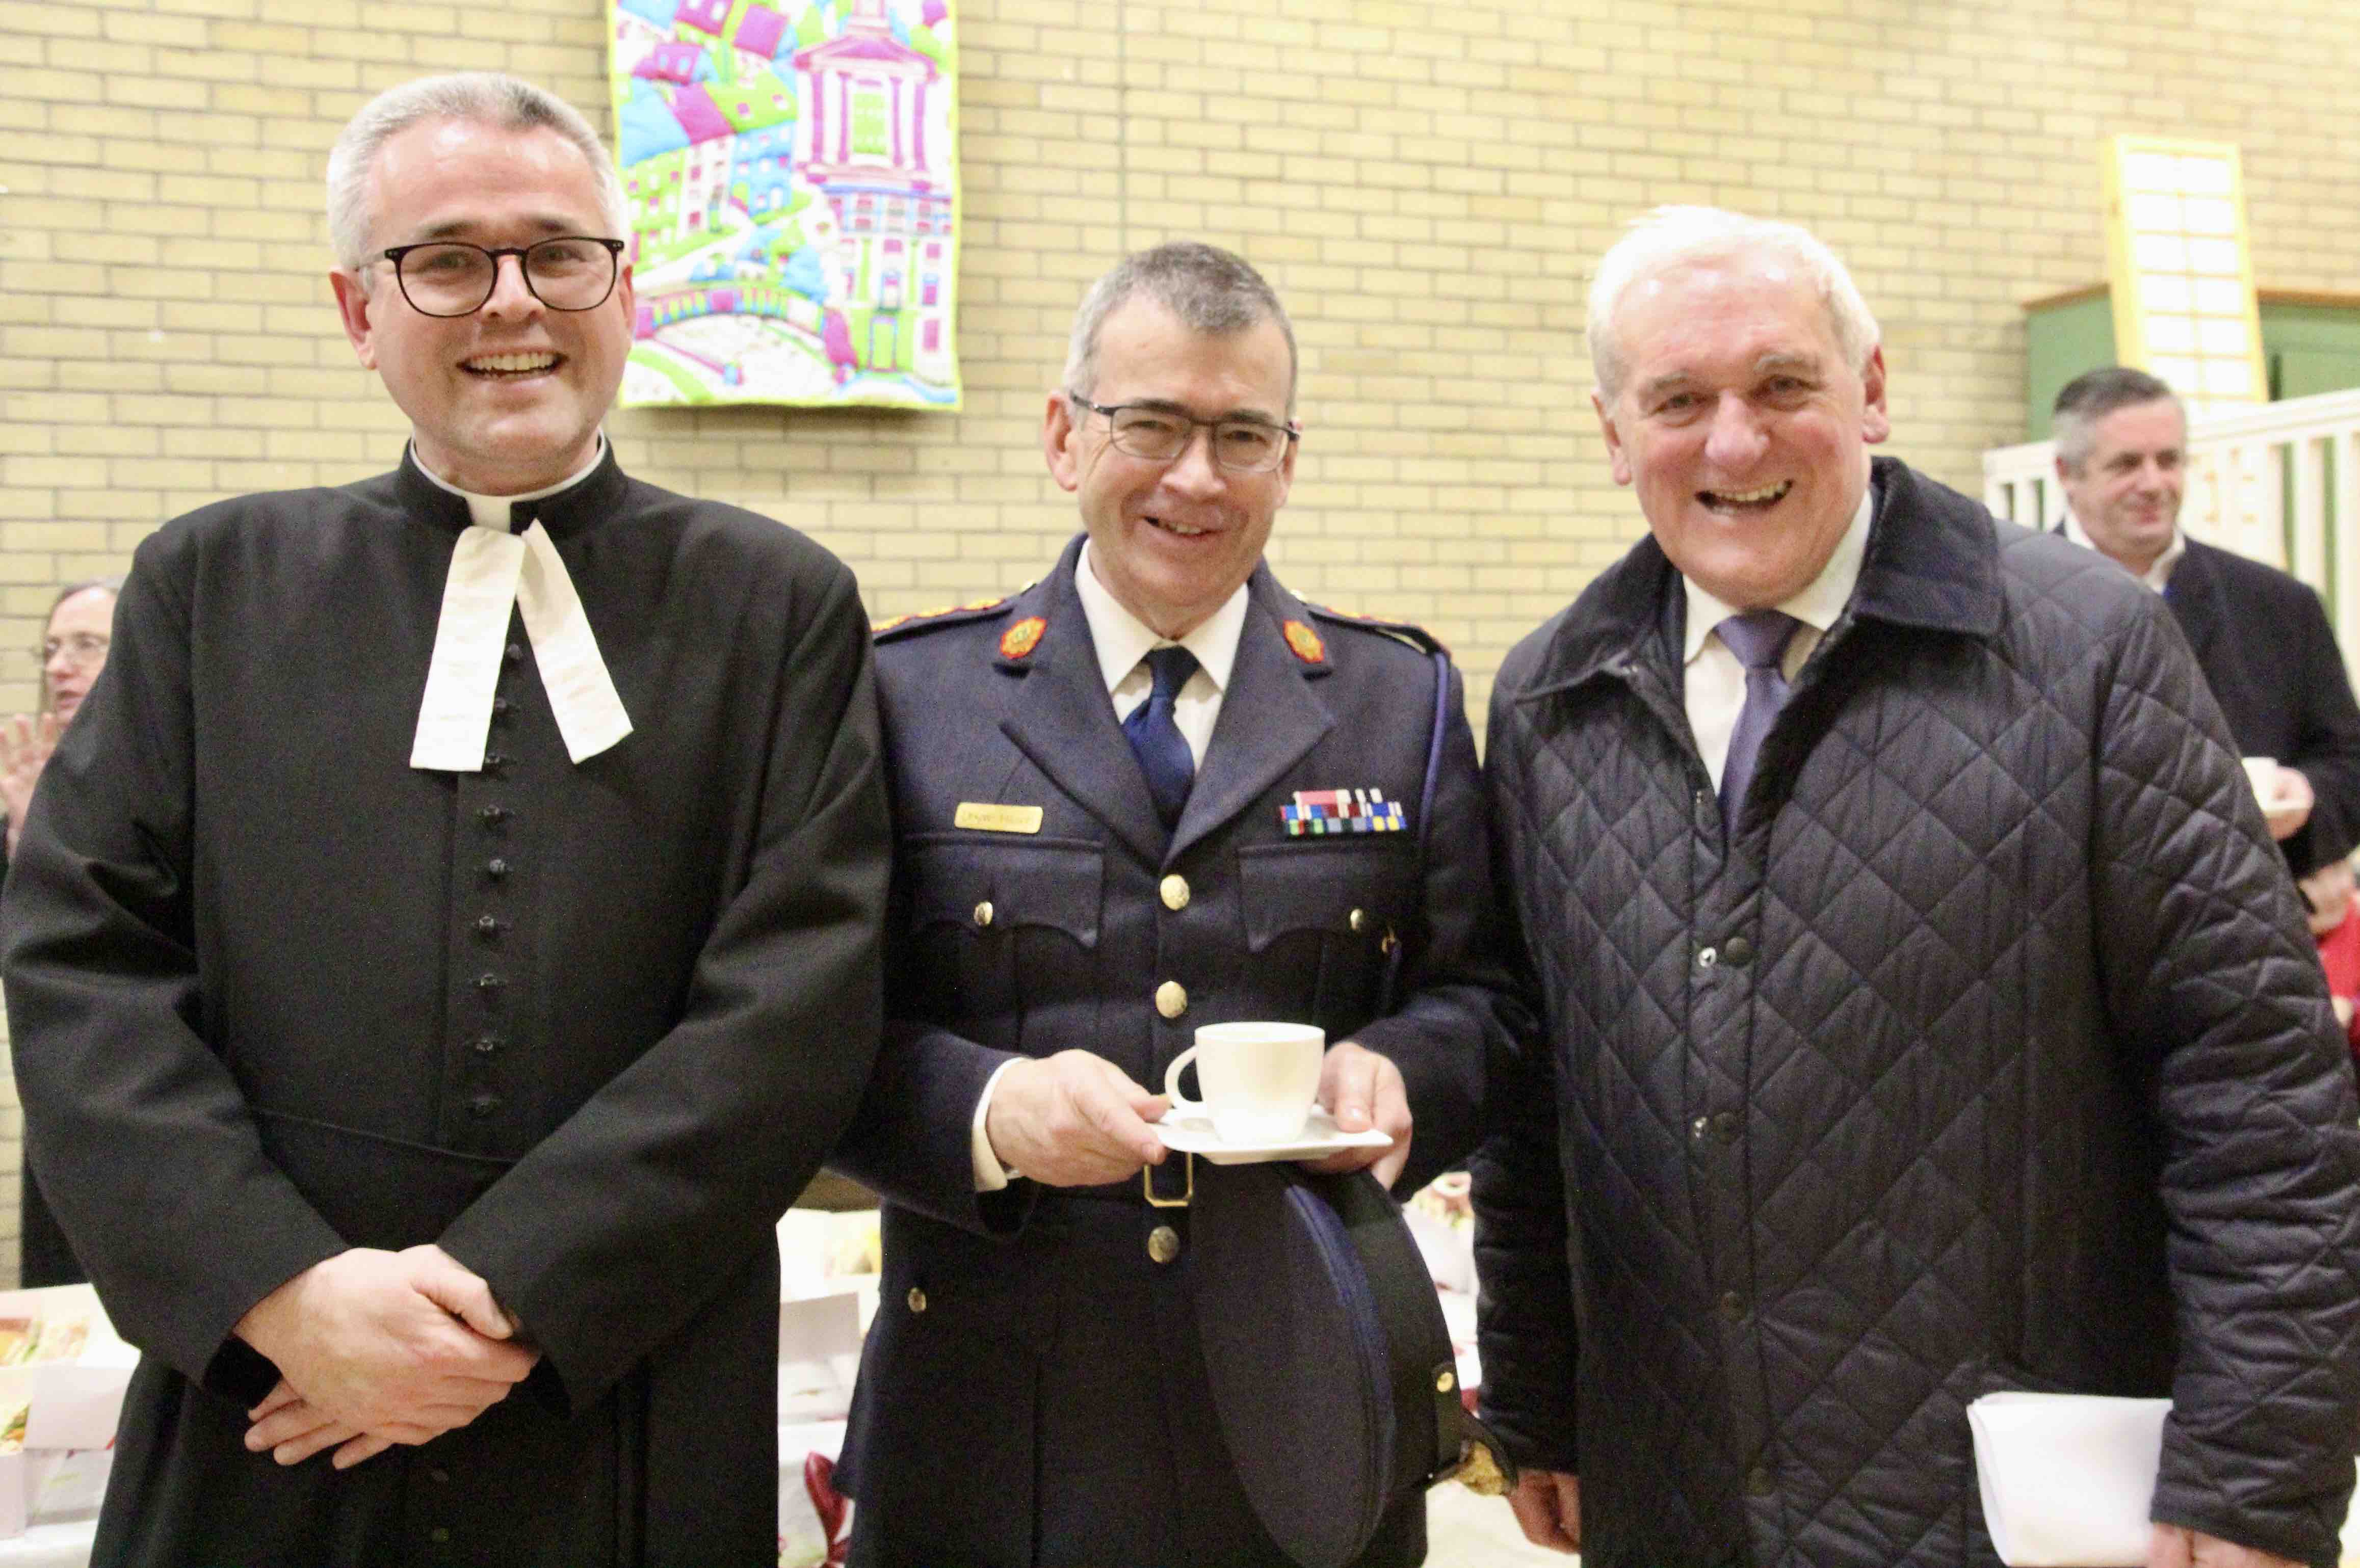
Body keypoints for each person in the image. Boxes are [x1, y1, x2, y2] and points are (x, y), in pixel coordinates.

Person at [0, 72, 890, 1567]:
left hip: (623, 1376)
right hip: (273, 1389)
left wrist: (509, 1293)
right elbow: (84, 964)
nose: (511, 303)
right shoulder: (208, 587)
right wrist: (281, 1287)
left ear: (627, 286)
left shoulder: (778, 602)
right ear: (359, 308)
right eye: (448, 260)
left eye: (558, 254)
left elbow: (796, 1001)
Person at [1474, 206, 2360, 1568]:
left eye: (1781, 384)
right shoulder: (1551, 700)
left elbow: (2252, 1079)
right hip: (1677, 1491)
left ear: (1869, 390)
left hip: (2011, 1497)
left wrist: (2253, 1463)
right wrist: (1538, 1396)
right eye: (1675, 400)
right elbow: (1537, 1102)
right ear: (1610, 434)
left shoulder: (2083, 652)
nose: (1731, 441)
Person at [826, 240, 1520, 1568]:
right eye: (1150, 424)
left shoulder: (1394, 699)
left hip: (1307, 1419)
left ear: (1285, 458)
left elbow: (1486, 999)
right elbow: (809, 1037)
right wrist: (985, 1111)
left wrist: (1403, 1071)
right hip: (988, 1440)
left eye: (1239, 434)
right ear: (1061, 435)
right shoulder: (911, 697)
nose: (1194, 477)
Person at [2052, 365, 2360, 880]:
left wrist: (2305, 799)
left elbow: (2347, 765)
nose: (2153, 483)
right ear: (2067, 473)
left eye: (2168, 460)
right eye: (2127, 464)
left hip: (2243, 916)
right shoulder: (2006, 605)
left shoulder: (2277, 606)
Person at [0, 576, 121, 1289]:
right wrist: (25, 837)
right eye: (50, 649)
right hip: (68, 1099)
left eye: (86, 645)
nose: (59, 665)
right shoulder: (31, 781)